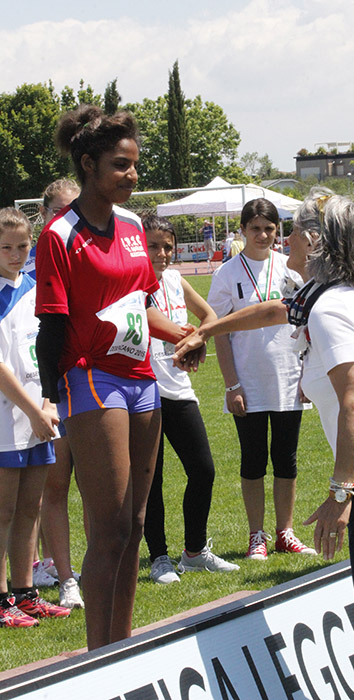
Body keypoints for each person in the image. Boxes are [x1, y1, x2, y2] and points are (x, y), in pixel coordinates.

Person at [174, 187, 354, 699]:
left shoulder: (328, 310)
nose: (282, 240)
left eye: (291, 231)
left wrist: (341, 492)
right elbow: (270, 311)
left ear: (313, 242)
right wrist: (208, 330)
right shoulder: (334, 299)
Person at [34, 104, 196, 650]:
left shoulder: (131, 226)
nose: (132, 175)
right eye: (120, 165)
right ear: (88, 165)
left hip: (143, 377)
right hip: (90, 379)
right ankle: (98, 659)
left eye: (134, 164)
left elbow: (140, 305)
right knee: (110, 529)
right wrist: (49, 397)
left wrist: (182, 336)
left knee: (135, 524)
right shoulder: (59, 234)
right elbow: (51, 327)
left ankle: (123, 650)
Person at [207, 198, 315, 560]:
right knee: (253, 460)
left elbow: (307, 324)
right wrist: (232, 384)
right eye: (255, 228)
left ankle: (286, 532)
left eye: (269, 228)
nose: (263, 235)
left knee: (286, 459)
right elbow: (220, 333)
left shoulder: (291, 268)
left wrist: (306, 374)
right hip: (248, 383)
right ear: (242, 230)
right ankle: (257, 535)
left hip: (289, 378)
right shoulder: (227, 274)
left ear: (277, 230)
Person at [141, 212, 239, 583]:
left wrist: (198, 339)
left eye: (168, 246)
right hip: (145, 389)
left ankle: (195, 552)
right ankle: (159, 558)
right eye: (153, 246)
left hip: (179, 390)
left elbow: (210, 315)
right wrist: (185, 338)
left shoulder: (175, 279)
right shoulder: (131, 284)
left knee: (203, 470)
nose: (162, 254)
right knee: (152, 479)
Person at [0, 208, 70, 628]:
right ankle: (1, 599)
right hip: (7, 419)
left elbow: (48, 352)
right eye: (5, 247)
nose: (15, 254)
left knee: (31, 507)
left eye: (22, 246)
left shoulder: (35, 290)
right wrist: (33, 410)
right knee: (3, 512)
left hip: (40, 416)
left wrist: (49, 403)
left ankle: (25, 593)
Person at [27, 179, 85, 610]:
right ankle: (59, 574)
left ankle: (86, 569)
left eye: (74, 211)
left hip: (89, 386)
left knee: (97, 487)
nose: (67, 219)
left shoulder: (86, 259)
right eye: (59, 210)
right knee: (51, 487)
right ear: (44, 214)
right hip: (42, 394)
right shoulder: (23, 269)